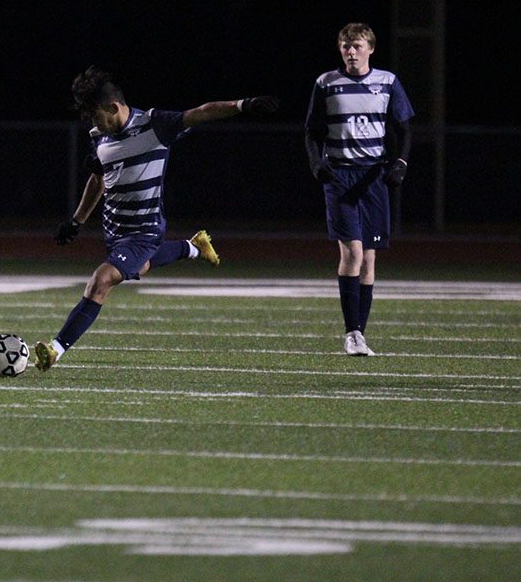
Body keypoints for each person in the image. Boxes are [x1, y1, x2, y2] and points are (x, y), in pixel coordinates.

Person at [34, 66, 279, 371]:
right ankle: (192, 247)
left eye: (96, 116)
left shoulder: (154, 125)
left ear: (113, 107)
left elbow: (200, 112)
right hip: (115, 230)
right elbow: (99, 179)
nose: (94, 124)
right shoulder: (99, 135)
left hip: (144, 230)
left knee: (102, 279)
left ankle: (56, 349)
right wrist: (76, 221)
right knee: (142, 266)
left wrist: (243, 104)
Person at [304, 23, 414, 356]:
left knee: (368, 258)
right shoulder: (326, 83)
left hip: (373, 179)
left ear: (370, 49)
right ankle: (351, 332)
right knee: (351, 252)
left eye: (357, 46)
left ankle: (360, 333)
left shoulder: (388, 82)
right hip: (340, 177)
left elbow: (405, 128)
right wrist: (316, 164)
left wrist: (400, 163)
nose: (351, 52)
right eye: (345, 46)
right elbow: (311, 131)